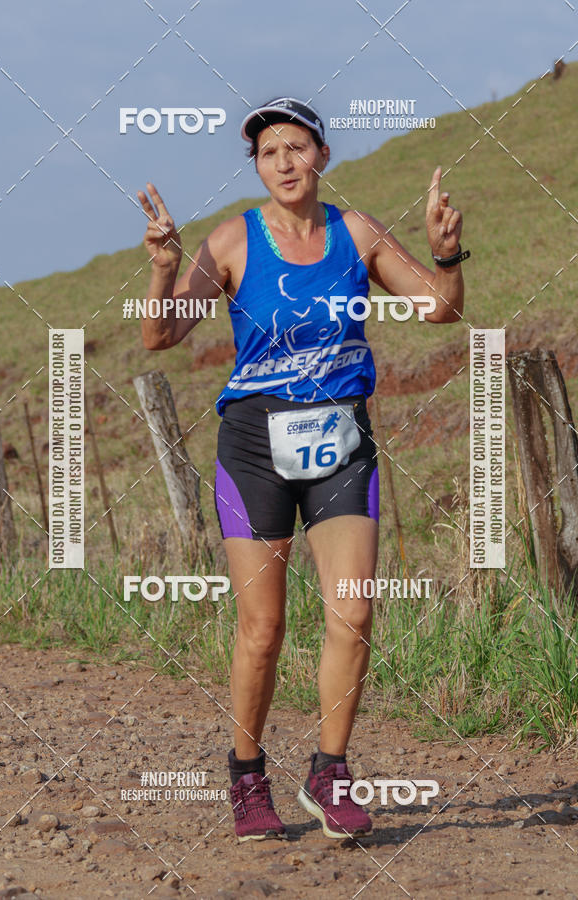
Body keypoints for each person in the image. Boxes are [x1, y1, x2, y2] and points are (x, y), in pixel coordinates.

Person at [137, 96, 466, 842]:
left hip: (341, 442)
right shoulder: (231, 241)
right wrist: (162, 268)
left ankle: (329, 771)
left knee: (353, 610)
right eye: (268, 153)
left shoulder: (356, 232)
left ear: (322, 156)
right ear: (257, 167)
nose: (284, 162)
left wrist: (446, 250)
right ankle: (247, 776)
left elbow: (439, 308)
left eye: (296, 147)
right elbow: (161, 335)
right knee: (264, 627)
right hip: (255, 444)